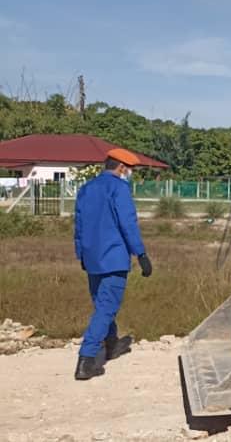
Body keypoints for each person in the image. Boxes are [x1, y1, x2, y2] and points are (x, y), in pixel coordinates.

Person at [73, 148, 153, 380]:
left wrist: (81, 254)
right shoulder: (119, 188)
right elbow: (127, 224)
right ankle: (86, 360)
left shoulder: (87, 188)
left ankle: (111, 344)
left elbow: (79, 225)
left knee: (102, 304)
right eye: (130, 170)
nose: (130, 173)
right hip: (114, 258)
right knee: (107, 307)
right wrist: (141, 254)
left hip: (92, 258)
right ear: (121, 167)